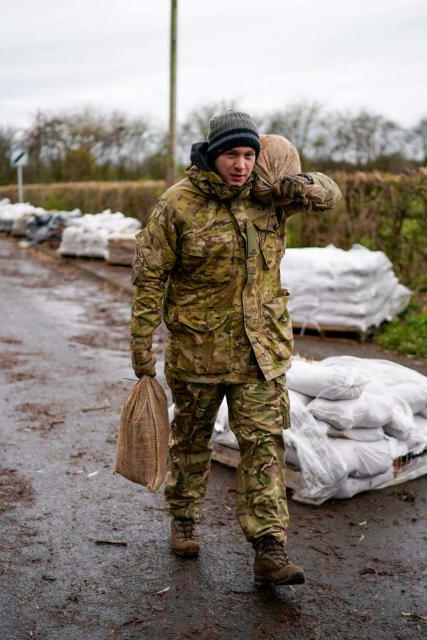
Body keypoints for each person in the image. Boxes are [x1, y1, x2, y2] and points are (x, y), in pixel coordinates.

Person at [130, 111, 341, 586]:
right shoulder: (177, 205)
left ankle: (269, 547)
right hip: (197, 353)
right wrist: (141, 345)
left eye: (249, 155)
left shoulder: (269, 198)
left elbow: (329, 195)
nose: (242, 165)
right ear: (212, 155)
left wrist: (297, 185)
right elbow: (149, 279)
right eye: (232, 155)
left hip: (259, 353)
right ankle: (183, 518)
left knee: (264, 445)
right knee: (191, 442)